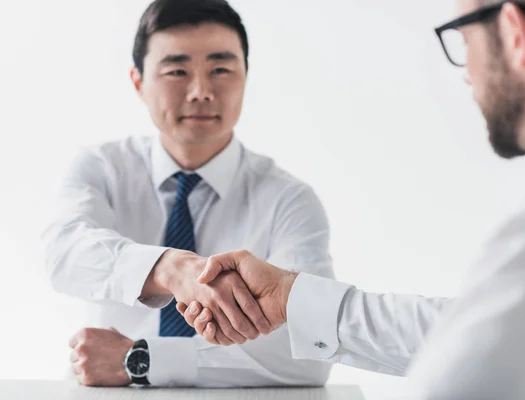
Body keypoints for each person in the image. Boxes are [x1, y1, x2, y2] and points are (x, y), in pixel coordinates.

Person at [180, 0, 525, 398]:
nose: (467, 73)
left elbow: (457, 378)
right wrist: (290, 297)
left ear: (514, 33)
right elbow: (486, 335)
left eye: (464, 38)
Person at [41, 0, 336, 388]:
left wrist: (140, 359)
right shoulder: (101, 168)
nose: (200, 91)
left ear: (246, 76)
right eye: (177, 71)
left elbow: (313, 344)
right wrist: (167, 268)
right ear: (138, 82)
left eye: (221, 69)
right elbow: (64, 253)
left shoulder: (289, 200)